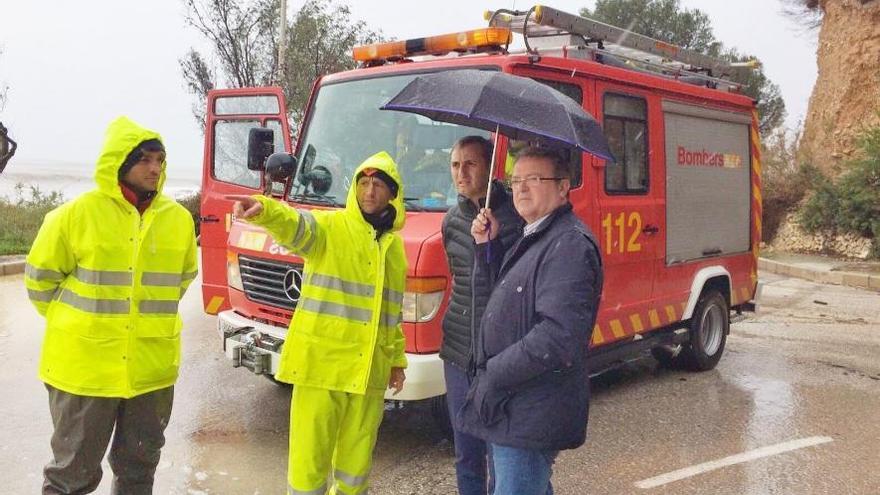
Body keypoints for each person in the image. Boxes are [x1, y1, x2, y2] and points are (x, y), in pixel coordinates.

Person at [24, 116, 198, 494]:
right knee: (71, 476)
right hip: (84, 372)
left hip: (150, 373)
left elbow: (182, 279)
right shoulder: (74, 216)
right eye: (145, 160)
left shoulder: (180, 220)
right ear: (120, 162)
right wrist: (80, 327)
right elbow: (39, 282)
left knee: (138, 473)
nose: (155, 168)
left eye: (160, 160)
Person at [228, 151, 408, 495]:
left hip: (368, 372)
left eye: (378, 185)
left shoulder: (394, 249)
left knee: (355, 469)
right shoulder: (330, 228)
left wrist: (396, 361)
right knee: (309, 463)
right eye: (363, 183)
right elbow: (295, 225)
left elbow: (391, 314)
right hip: (321, 368)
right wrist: (265, 210)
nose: (369, 192)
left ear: (393, 194)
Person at [458, 147, 603, 495]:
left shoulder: (568, 244)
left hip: (531, 407)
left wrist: (493, 373)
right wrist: (486, 247)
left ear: (564, 187)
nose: (521, 189)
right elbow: (508, 302)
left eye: (534, 179)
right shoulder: (535, 234)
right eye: (516, 180)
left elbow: (558, 337)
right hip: (514, 403)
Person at [440, 135, 522, 494]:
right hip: (458, 352)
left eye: (470, 164)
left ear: (490, 168)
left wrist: (494, 242)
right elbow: (460, 278)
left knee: (501, 453)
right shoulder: (451, 220)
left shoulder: (515, 217)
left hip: (497, 353)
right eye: (456, 165)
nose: (462, 172)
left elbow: (517, 280)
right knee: (467, 453)